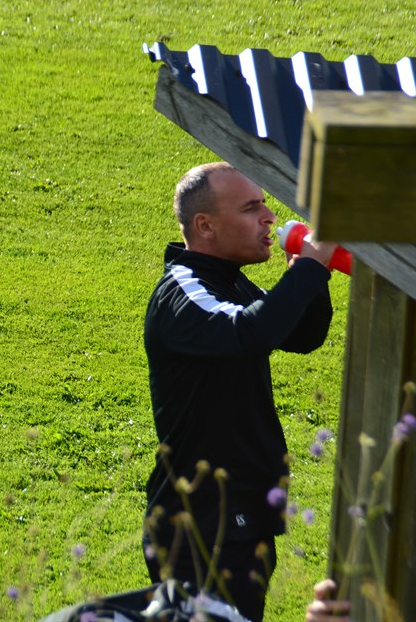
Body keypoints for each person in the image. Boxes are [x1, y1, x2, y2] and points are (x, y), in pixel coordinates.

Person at [141, 162, 338, 622]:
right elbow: (251, 332)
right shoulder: (184, 292)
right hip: (201, 526)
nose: (269, 218)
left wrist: (308, 276)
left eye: (264, 205)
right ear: (205, 225)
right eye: (251, 208)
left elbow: (302, 336)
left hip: (241, 516)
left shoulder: (228, 281)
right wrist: (310, 268)